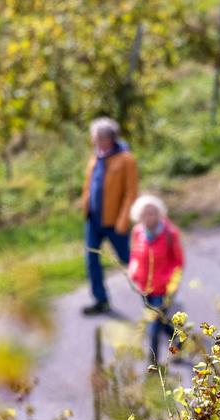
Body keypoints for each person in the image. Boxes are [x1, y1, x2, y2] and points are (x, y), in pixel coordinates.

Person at [79, 117, 139, 316]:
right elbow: (90, 185)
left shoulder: (126, 160)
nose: (93, 141)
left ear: (108, 139)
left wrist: (123, 221)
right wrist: (85, 206)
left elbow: (131, 193)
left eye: (96, 138)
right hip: (93, 220)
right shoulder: (95, 157)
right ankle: (100, 300)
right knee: (91, 260)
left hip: (114, 221)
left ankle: (156, 292)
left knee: (127, 259)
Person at [127, 194, 185, 366]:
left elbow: (178, 262)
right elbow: (135, 256)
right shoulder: (138, 232)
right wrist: (133, 270)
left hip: (163, 289)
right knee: (162, 322)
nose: (149, 217)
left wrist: (172, 283)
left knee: (153, 328)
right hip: (144, 288)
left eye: (153, 213)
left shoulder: (170, 234)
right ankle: (180, 340)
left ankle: (152, 364)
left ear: (159, 213)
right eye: (145, 213)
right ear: (139, 216)